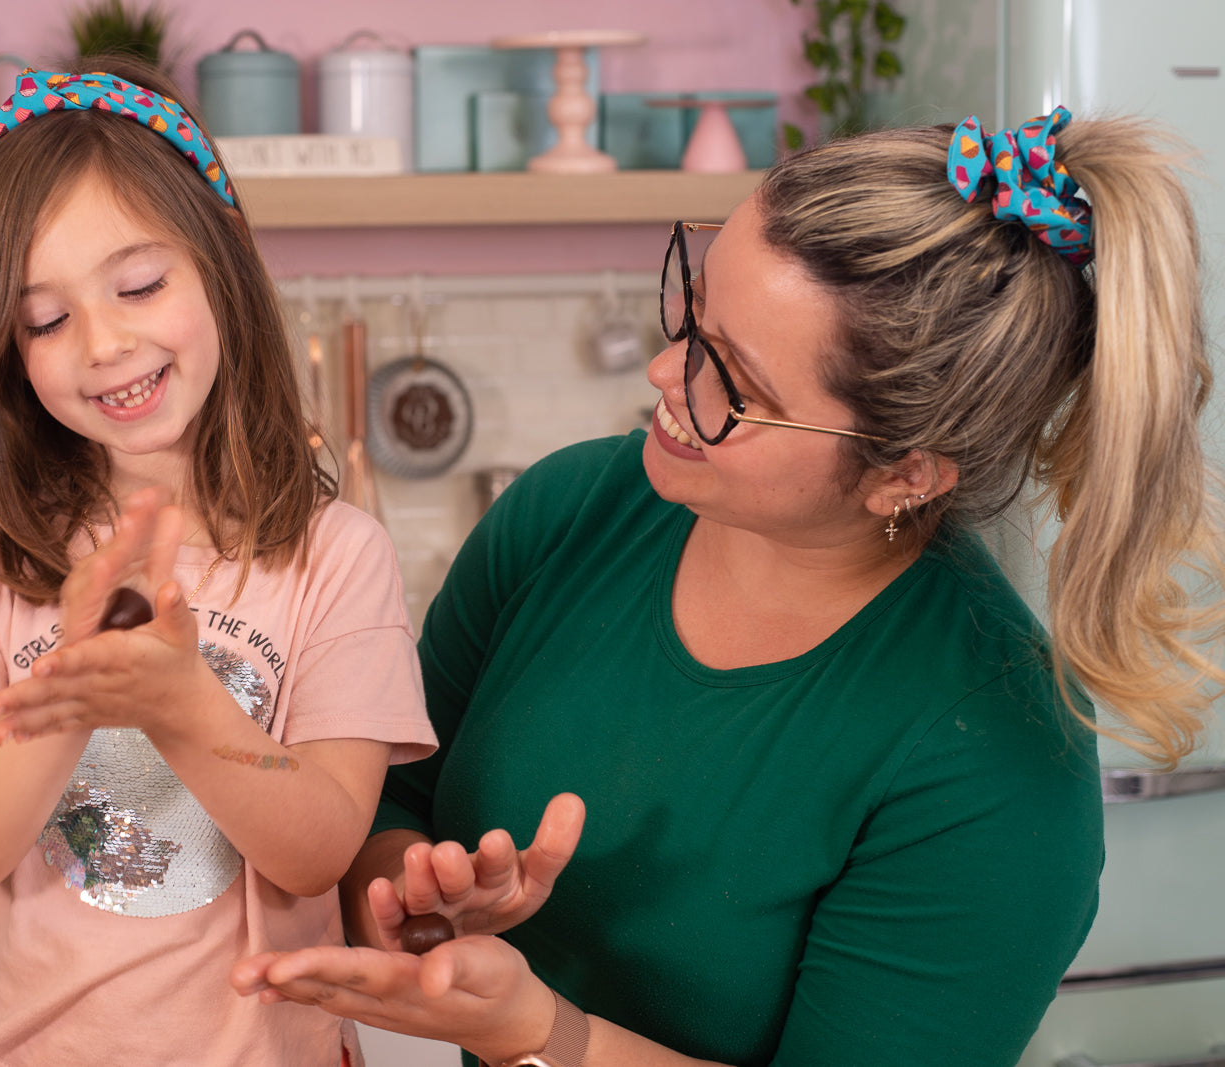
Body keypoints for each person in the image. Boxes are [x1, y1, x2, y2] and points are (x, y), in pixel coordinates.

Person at [232, 109, 1225, 1066]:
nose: (667, 371)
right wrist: (411, 903)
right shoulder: (570, 510)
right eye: (694, 309)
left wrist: (539, 1030)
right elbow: (386, 794)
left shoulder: (997, 763)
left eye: (735, 387)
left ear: (903, 474)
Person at [0, 60, 436, 1067]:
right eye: (46, 319)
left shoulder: (337, 556)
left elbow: (315, 851)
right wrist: (72, 685)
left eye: (138, 285)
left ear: (225, 257)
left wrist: (182, 704)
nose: (104, 342)